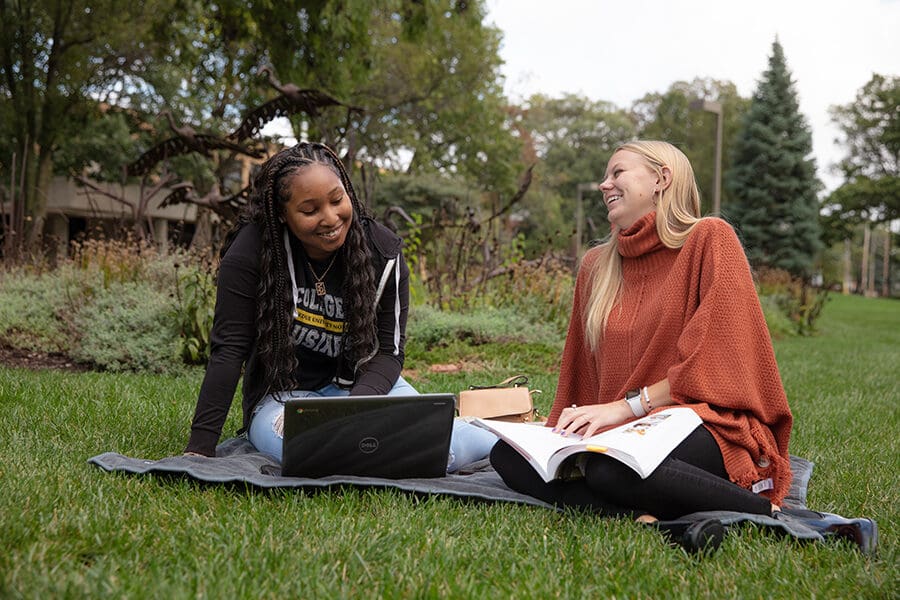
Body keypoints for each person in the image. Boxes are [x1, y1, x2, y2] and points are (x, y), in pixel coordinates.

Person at [490, 140, 876, 553]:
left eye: (617, 172)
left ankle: (778, 517)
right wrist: (564, 436)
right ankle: (660, 521)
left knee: (609, 469)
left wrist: (626, 408)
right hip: (621, 434)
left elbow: (716, 362)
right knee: (507, 457)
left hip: (708, 420)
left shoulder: (709, 238)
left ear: (661, 178)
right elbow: (581, 372)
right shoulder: (595, 267)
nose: (605, 185)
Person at [183, 141, 495, 472]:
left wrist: (352, 412)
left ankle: (487, 433)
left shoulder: (383, 252)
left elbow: (388, 354)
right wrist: (200, 448)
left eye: (337, 199)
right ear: (282, 215)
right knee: (309, 451)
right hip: (285, 397)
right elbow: (229, 350)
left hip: (368, 388)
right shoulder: (252, 252)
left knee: (439, 448)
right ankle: (394, 450)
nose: (330, 218)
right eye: (309, 210)